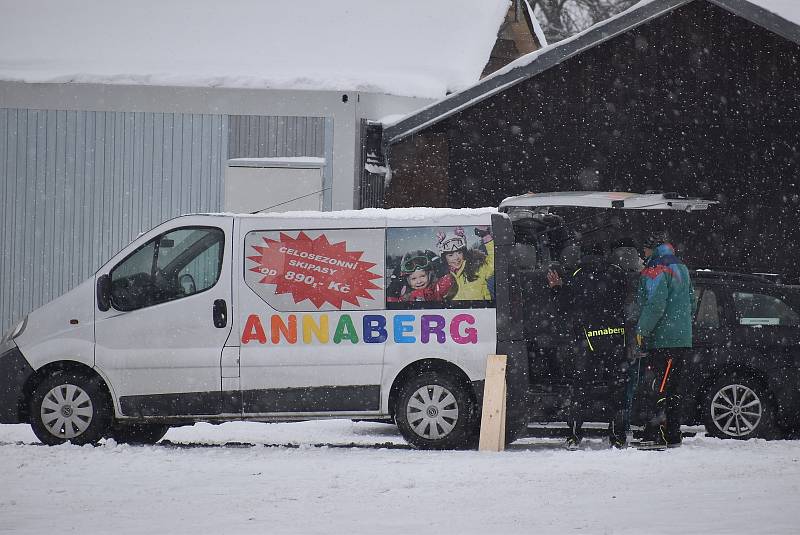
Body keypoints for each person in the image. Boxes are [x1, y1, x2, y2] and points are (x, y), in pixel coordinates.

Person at [547, 241, 630, 449]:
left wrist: (558, 289)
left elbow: (565, 308)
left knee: (580, 390)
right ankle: (618, 436)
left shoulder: (577, 275)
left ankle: (575, 435)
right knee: (616, 389)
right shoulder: (617, 273)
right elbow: (627, 300)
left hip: (587, 342)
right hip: (616, 340)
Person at [634, 231, 695, 450]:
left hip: (662, 340)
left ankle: (656, 435)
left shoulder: (655, 270)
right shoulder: (682, 268)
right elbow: (692, 302)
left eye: (645, 249)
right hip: (682, 340)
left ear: (653, 248)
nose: (643, 253)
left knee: (658, 387)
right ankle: (673, 434)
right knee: (674, 389)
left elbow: (655, 305)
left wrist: (641, 331)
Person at [436, 226, 494, 301]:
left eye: (459, 252)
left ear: (464, 253)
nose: (456, 258)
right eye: (450, 255)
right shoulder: (443, 280)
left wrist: (486, 236)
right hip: (456, 312)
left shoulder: (477, 268)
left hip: (481, 311)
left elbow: (495, 262)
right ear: (445, 258)